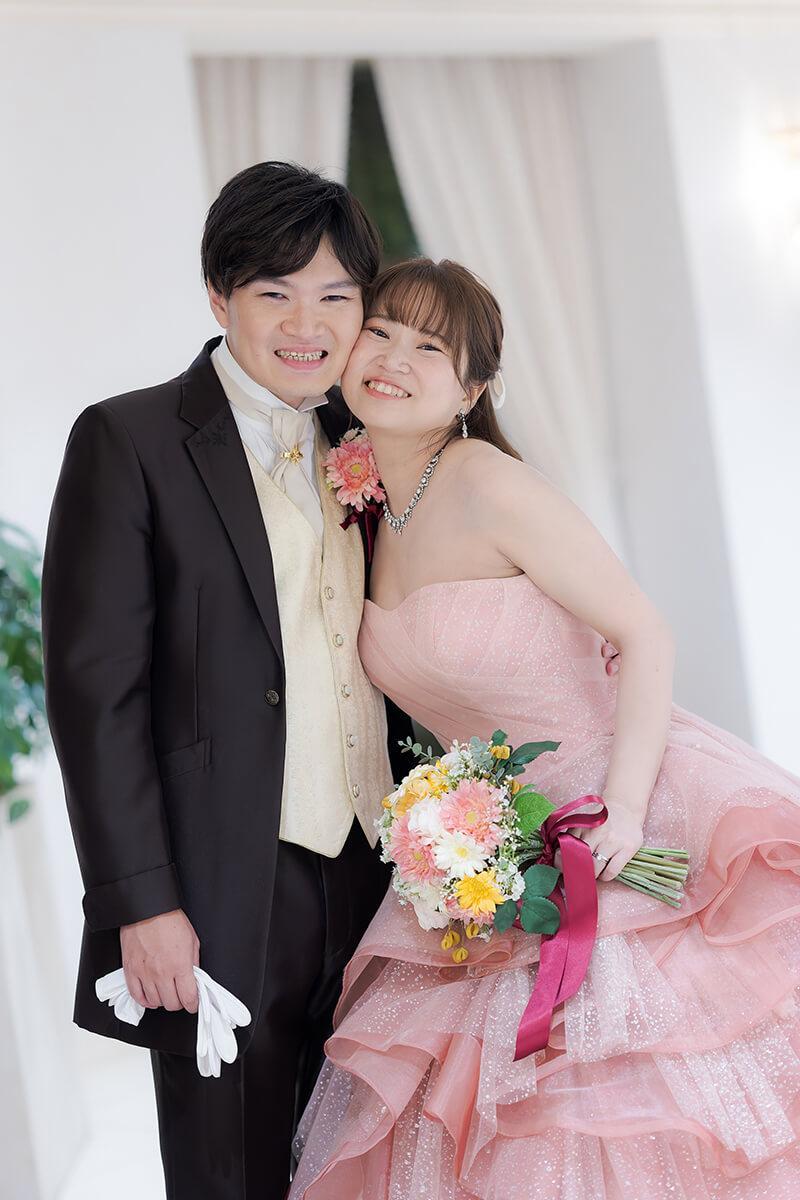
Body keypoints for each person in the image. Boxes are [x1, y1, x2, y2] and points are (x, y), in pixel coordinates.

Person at [288, 258, 800, 1199]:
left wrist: (626, 811)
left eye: (429, 347)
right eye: (382, 332)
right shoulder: (362, 502)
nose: (393, 358)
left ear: (472, 390)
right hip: (497, 852)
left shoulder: (492, 487)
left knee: (634, 1106)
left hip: (616, 808)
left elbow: (642, 632)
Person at [41, 162, 415, 1200]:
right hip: (217, 893)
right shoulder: (129, 439)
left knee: (370, 1170)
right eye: (274, 292)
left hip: (379, 880)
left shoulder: (369, 439)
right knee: (228, 1176)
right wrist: (140, 905)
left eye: (334, 295)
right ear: (219, 298)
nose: (307, 324)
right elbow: (96, 695)